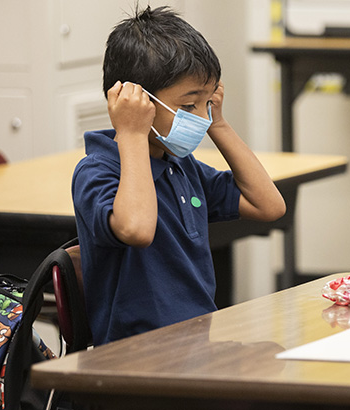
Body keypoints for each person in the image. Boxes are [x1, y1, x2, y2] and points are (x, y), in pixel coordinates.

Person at [71, 6, 285, 345]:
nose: (200, 117)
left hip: (194, 344)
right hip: (134, 356)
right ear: (135, 100)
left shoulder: (181, 166)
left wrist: (220, 124)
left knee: (275, 364)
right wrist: (131, 135)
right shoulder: (97, 170)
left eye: (207, 102)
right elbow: (137, 229)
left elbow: (269, 206)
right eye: (188, 106)